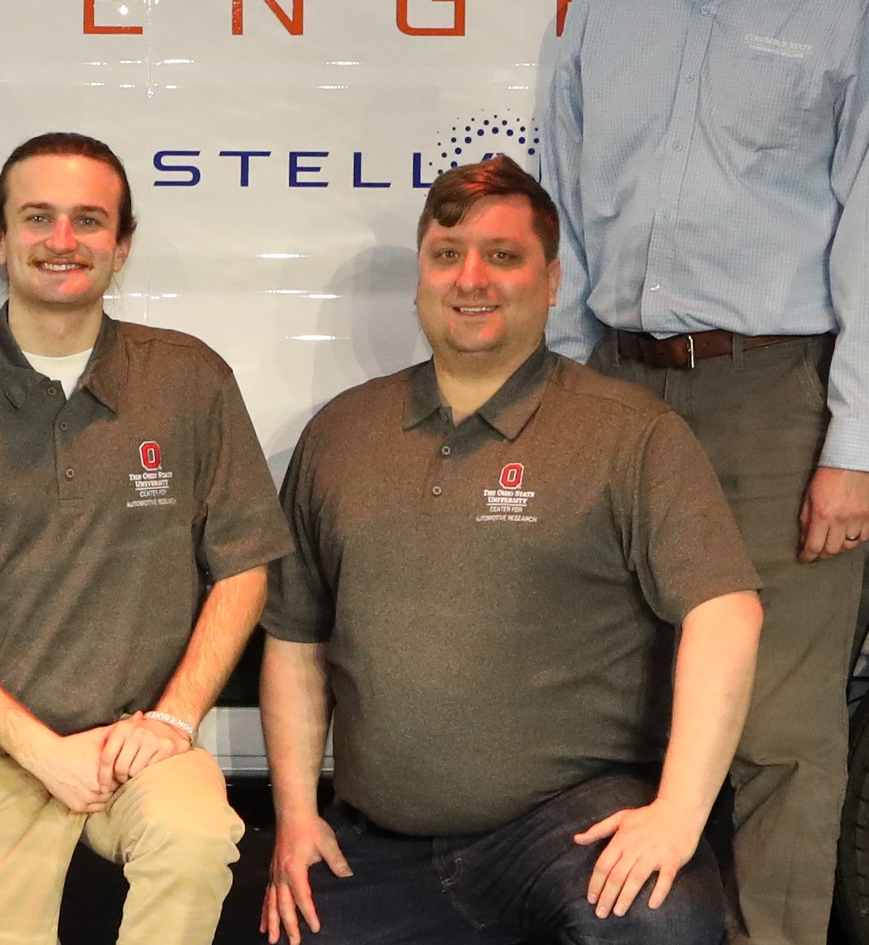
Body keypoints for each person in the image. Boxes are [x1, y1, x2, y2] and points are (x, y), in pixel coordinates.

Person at [534, 0, 869, 945]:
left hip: (776, 404)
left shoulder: (851, 7)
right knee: (626, 708)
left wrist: (854, 447)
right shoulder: (603, 13)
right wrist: (546, 401)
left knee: (775, 731)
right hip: (615, 391)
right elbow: (568, 221)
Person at [261, 155, 762, 945]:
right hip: (381, 844)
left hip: (563, 830)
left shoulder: (630, 433)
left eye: (504, 256)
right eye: (447, 254)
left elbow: (727, 611)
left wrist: (677, 813)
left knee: (657, 921)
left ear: (553, 279)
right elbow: (294, 639)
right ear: (420, 275)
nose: (472, 278)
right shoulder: (339, 433)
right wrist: (293, 817)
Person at [0, 132, 290, 945]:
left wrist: (173, 720)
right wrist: (40, 749)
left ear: (121, 247)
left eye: (89, 220)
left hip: (139, 738)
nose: (63, 240)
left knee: (197, 840)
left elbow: (244, 567)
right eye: (38, 217)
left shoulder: (191, 380)